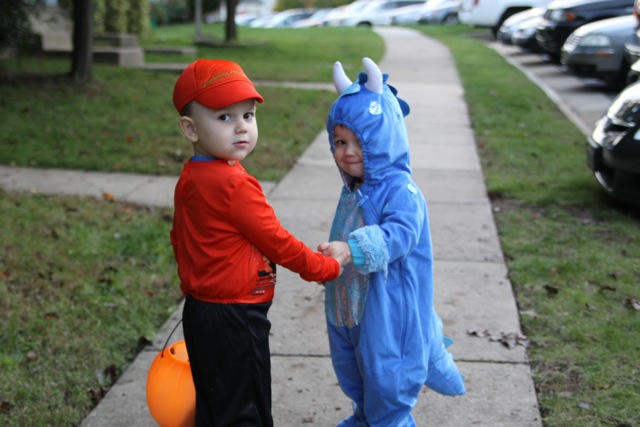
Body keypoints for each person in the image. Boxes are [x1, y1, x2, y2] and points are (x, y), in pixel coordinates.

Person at [169, 58, 348, 426]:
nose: (241, 127)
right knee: (246, 409)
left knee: (216, 406)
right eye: (224, 117)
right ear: (190, 128)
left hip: (202, 310)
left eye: (248, 115)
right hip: (237, 315)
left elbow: (180, 238)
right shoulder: (235, 185)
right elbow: (277, 241)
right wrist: (324, 267)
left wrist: (192, 284)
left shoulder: (191, 176)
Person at [318, 58, 466, 426]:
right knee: (355, 370)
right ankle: (364, 417)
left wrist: (351, 250)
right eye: (340, 141)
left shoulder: (402, 191)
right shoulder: (354, 190)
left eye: (359, 141)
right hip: (356, 307)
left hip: (392, 310)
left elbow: (400, 235)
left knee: (388, 379)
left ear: (384, 138)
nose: (348, 151)